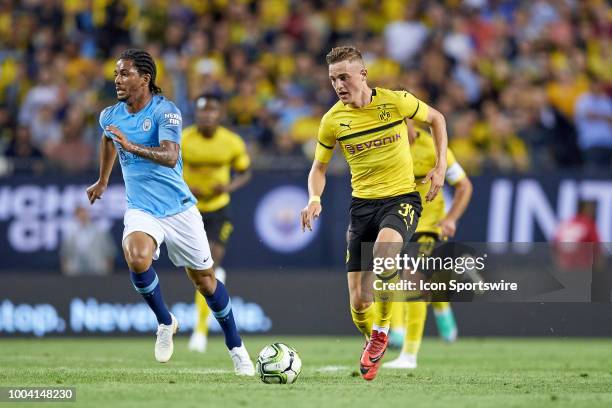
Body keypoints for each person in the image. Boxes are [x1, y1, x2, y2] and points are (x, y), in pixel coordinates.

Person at [86, 49, 254, 375]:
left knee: (206, 283)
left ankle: (236, 347)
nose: (117, 80)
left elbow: (169, 154)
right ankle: (165, 321)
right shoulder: (110, 115)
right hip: (142, 208)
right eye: (116, 74)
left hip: (180, 208)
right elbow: (108, 141)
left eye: (124, 74)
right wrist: (103, 179)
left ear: (145, 78)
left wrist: (131, 146)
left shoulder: (167, 112)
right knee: (136, 256)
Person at [300, 45, 449, 381]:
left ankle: (382, 331)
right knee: (358, 302)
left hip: (402, 198)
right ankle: (372, 339)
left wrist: (440, 167)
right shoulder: (332, 121)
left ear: (363, 74)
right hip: (362, 207)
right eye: (333, 79)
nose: (338, 84)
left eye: (344, 76)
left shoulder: (395, 101)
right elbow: (318, 168)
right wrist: (314, 198)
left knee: (385, 253)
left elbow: (437, 119)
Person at [385, 121, 473, 369]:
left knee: (413, 280)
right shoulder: (386, 149)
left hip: (428, 227)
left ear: (410, 120)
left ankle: (408, 354)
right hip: (398, 224)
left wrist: (451, 218)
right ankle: (406, 330)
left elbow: (464, 185)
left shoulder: (435, 148)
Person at [181, 93, 252, 353]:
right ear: (196, 114)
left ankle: (199, 331)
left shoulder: (231, 142)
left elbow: (245, 171)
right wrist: (186, 188)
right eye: (202, 112)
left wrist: (228, 186)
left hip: (218, 209)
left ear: (219, 114)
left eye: (212, 112)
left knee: (210, 262)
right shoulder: (183, 139)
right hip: (188, 210)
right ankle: (204, 318)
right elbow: (168, 169)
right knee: (200, 270)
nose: (207, 116)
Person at [60, 206, 117, 276]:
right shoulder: (70, 235)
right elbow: (65, 256)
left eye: (84, 214)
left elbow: (110, 253)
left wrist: (107, 273)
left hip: (98, 272)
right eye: (79, 215)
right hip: (76, 274)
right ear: (76, 217)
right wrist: (68, 273)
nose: (82, 217)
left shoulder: (101, 233)